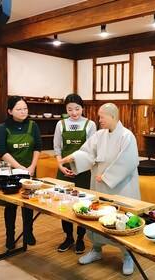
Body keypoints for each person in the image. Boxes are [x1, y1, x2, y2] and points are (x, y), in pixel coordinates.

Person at [59, 103, 140, 276]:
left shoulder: (127, 136)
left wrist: (108, 176)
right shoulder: (99, 135)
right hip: (99, 185)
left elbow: (129, 161)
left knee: (122, 220)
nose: (99, 120)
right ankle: (96, 249)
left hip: (121, 187)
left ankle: (127, 255)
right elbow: (87, 153)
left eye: (102, 116)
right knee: (97, 216)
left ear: (112, 117)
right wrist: (72, 157)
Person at [0, 95, 42, 250]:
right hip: (9, 171)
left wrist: (32, 166)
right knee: (10, 205)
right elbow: (1, 151)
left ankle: (29, 232)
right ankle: (10, 235)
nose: (23, 112)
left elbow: (37, 146)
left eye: (25, 108)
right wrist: (19, 167)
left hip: (29, 170)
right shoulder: (3, 128)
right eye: (19, 109)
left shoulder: (32, 125)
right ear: (10, 111)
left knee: (27, 203)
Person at [53, 94, 96, 254]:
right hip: (64, 170)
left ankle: (80, 238)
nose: (74, 113)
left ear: (82, 108)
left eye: (77, 109)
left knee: (83, 205)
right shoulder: (60, 124)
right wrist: (61, 165)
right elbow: (57, 148)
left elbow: (92, 150)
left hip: (83, 171)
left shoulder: (90, 124)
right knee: (64, 205)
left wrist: (78, 167)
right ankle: (68, 237)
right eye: (70, 109)